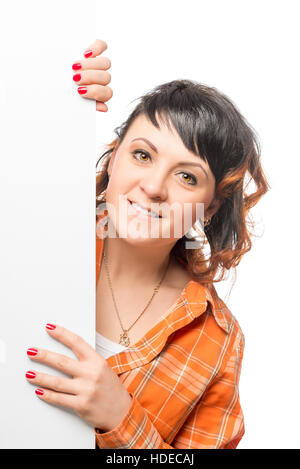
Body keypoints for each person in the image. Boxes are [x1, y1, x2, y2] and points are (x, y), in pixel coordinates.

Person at [25, 39, 270, 449]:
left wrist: (122, 420)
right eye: (142, 155)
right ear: (114, 155)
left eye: (187, 177)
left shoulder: (217, 341)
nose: (154, 187)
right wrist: (49, 88)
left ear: (208, 209)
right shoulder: (35, 233)